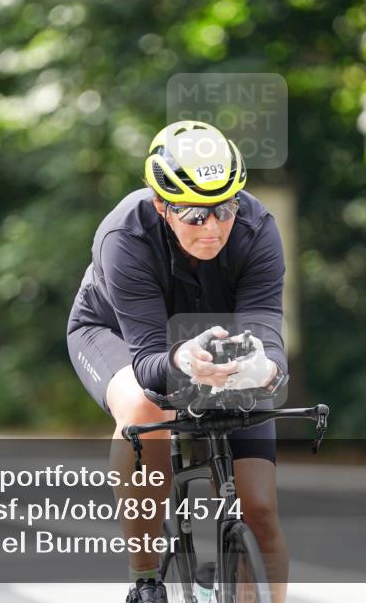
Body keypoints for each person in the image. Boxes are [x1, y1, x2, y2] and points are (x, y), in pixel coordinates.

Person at [67, 121, 290, 603]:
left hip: (215, 340)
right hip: (119, 335)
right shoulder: (124, 236)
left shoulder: (257, 231)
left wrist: (265, 368)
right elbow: (149, 363)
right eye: (193, 214)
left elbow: (267, 334)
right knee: (150, 413)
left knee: (259, 507)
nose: (212, 228)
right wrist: (180, 362)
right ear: (162, 205)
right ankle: (146, 578)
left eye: (224, 209)